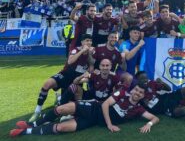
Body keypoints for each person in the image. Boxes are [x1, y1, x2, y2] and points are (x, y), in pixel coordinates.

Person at [10, 83, 159, 137]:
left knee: (62, 128)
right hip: (94, 108)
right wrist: (109, 125)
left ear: (143, 96)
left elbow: (155, 118)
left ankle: (25, 132)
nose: (137, 93)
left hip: (93, 121)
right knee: (62, 108)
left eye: (141, 93)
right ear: (133, 90)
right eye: (137, 90)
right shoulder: (123, 93)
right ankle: (33, 124)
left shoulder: (138, 109)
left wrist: (149, 124)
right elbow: (106, 104)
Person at [28, 34, 95, 122]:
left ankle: (59, 98)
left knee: (67, 106)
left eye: (90, 41)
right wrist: (82, 51)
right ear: (82, 42)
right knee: (47, 84)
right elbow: (70, 61)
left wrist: (89, 54)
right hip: (65, 75)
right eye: (87, 40)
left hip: (77, 80)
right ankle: (37, 111)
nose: (89, 43)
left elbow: (91, 68)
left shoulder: (92, 51)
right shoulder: (76, 49)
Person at [60, 59, 128, 105]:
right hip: (91, 97)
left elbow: (120, 89)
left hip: (104, 101)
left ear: (110, 67)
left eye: (107, 65)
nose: (105, 68)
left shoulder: (114, 76)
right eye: (103, 65)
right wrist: (82, 76)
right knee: (73, 86)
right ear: (99, 66)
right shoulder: (94, 75)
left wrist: (114, 95)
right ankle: (61, 105)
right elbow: (75, 82)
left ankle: (75, 105)